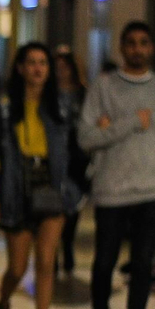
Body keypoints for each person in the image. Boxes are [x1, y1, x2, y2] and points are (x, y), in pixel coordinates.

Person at [78, 20, 155, 309]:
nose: (138, 49)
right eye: (131, 43)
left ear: (152, 48)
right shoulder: (103, 87)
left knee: (142, 265)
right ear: (121, 48)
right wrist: (131, 123)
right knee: (104, 261)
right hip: (112, 190)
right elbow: (86, 138)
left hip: (152, 190)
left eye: (144, 43)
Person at [0, 42, 78, 309]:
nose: (38, 68)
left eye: (43, 63)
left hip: (51, 188)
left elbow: (76, 145)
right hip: (16, 188)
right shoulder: (5, 105)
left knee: (46, 263)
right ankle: (4, 303)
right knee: (17, 267)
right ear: (21, 68)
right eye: (32, 62)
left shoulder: (62, 105)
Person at [55, 47, 89, 275]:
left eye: (65, 66)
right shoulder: (49, 94)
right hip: (55, 155)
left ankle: (67, 243)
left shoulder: (83, 94)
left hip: (77, 156)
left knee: (74, 202)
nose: (61, 71)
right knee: (54, 202)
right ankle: (54, 248)